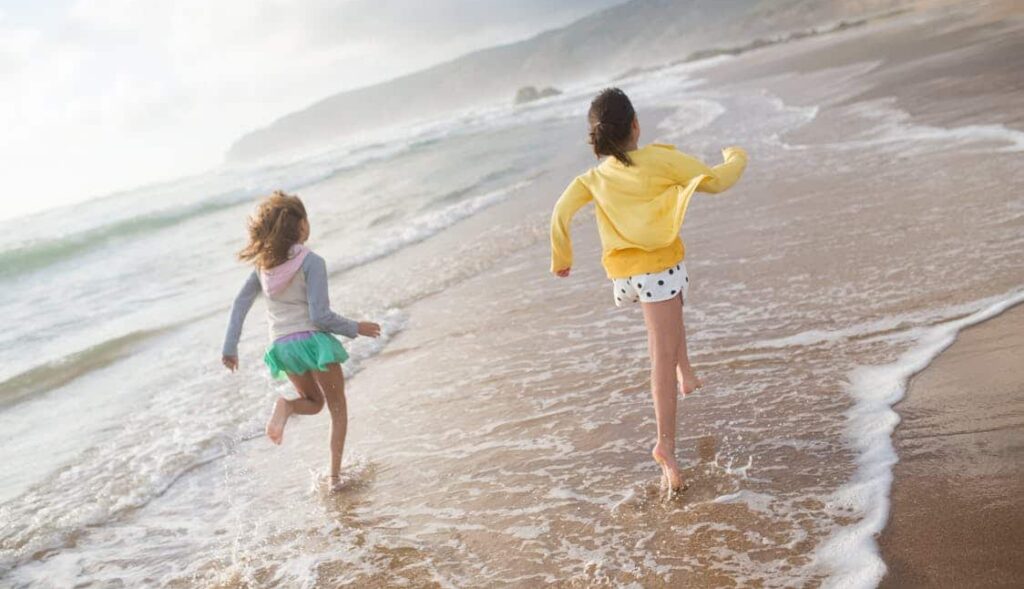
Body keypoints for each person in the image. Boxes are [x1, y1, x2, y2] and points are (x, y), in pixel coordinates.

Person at [549, 88, 748, 491]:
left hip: (629, 275)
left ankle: (686, 373)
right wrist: (736, 156)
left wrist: (562, 258)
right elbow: (716, 182)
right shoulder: (659, 160)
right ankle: (665, 445)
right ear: (636, 124)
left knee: (674, 311)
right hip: (656, 268)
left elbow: (560, 212)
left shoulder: (593, 177)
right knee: (661, 350)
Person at [222, 190, 380, 489]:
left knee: (313, 402)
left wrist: (230, 348)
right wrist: (355, 327)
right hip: (313, 343)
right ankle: (334, 478)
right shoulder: (312, 261)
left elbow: (240, 304)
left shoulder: (262, 268)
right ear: (301, 225)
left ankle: (287, 405)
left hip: (282, 347)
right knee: (337, 409)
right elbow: (320, 316)